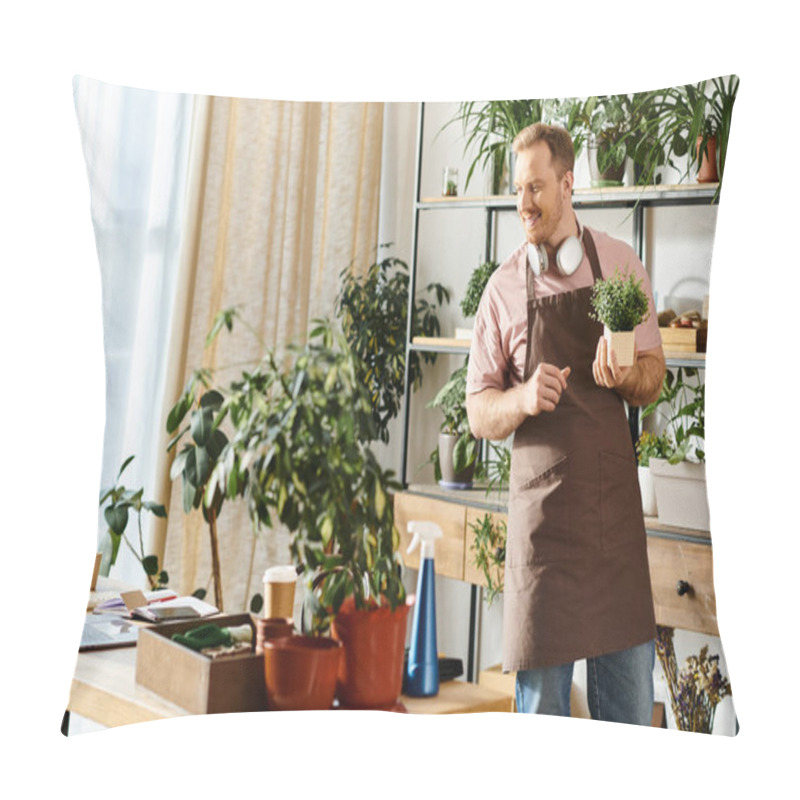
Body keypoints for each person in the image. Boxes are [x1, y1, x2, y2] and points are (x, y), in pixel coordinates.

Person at [466, 123, 666, 725]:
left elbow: (654, 374)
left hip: (613, 527)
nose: (523, 203)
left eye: (535, 188)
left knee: (630, 716)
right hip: (542, 536)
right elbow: (478, 411)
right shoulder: (501, 291)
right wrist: (523, 398)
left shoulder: (621, 265)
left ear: (568, 183)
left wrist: (626, 373)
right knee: (543, 724)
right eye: (517, 190)